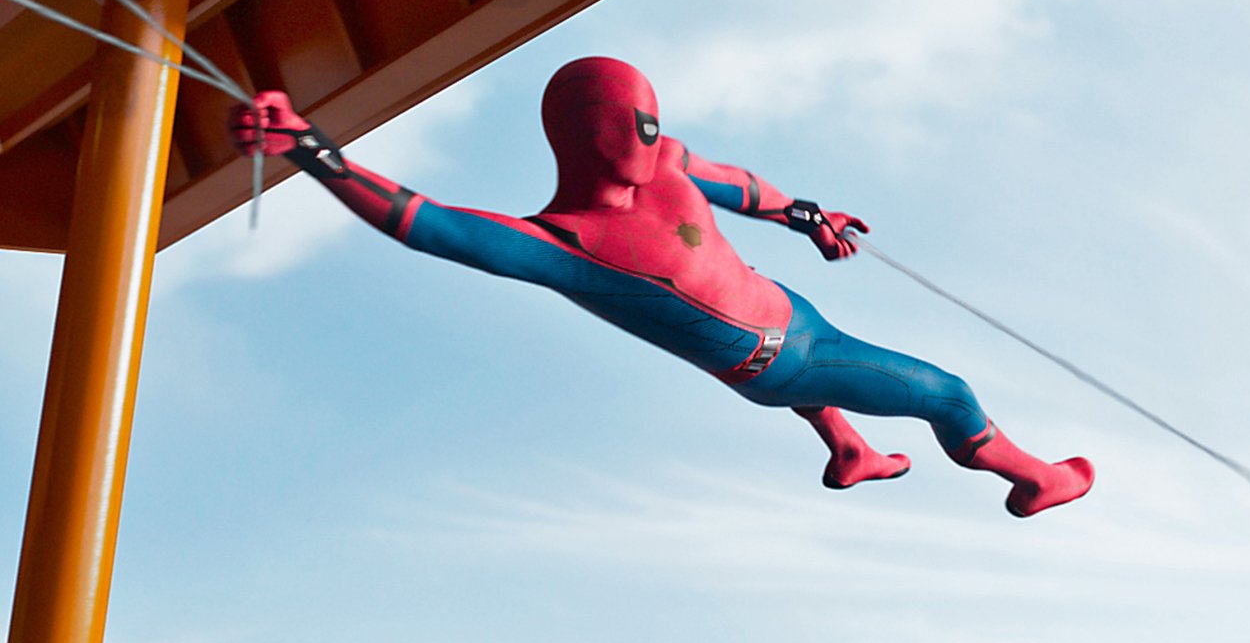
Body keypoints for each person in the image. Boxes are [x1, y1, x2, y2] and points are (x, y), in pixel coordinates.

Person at [228, 57, 1094, 517]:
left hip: (790, 312)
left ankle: (850, 450)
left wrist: (808, 216)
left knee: (831, 364)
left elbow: (740, 186)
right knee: (946, 393)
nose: (650, 137)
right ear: (590, 136)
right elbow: (424, 221)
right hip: (775, 362)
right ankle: (1035, 478)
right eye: (634, 125)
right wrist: (310, 149)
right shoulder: (562, 243)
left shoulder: (669, 161)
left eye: (651, 121)